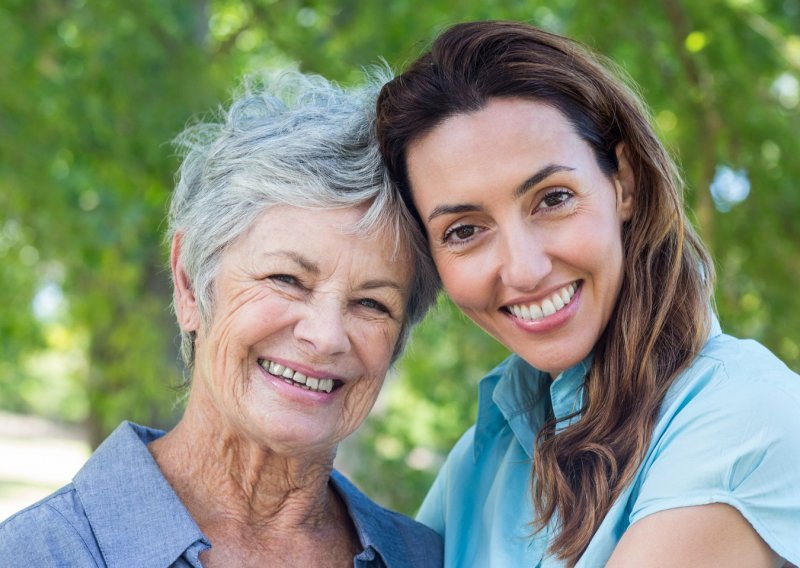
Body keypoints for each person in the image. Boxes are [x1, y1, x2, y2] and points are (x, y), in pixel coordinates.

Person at [375, 20, 800, 568]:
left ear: (623, 181)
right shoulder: (482, 459)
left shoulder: (746, 413)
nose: (524, 270)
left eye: (552, 198)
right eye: (464, 230)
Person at [0, 69, 443, 567]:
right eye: (286, 279)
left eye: (372, 304)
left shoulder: (426, 558)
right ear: (190, 282)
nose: (324, 337)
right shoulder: (33, 553)